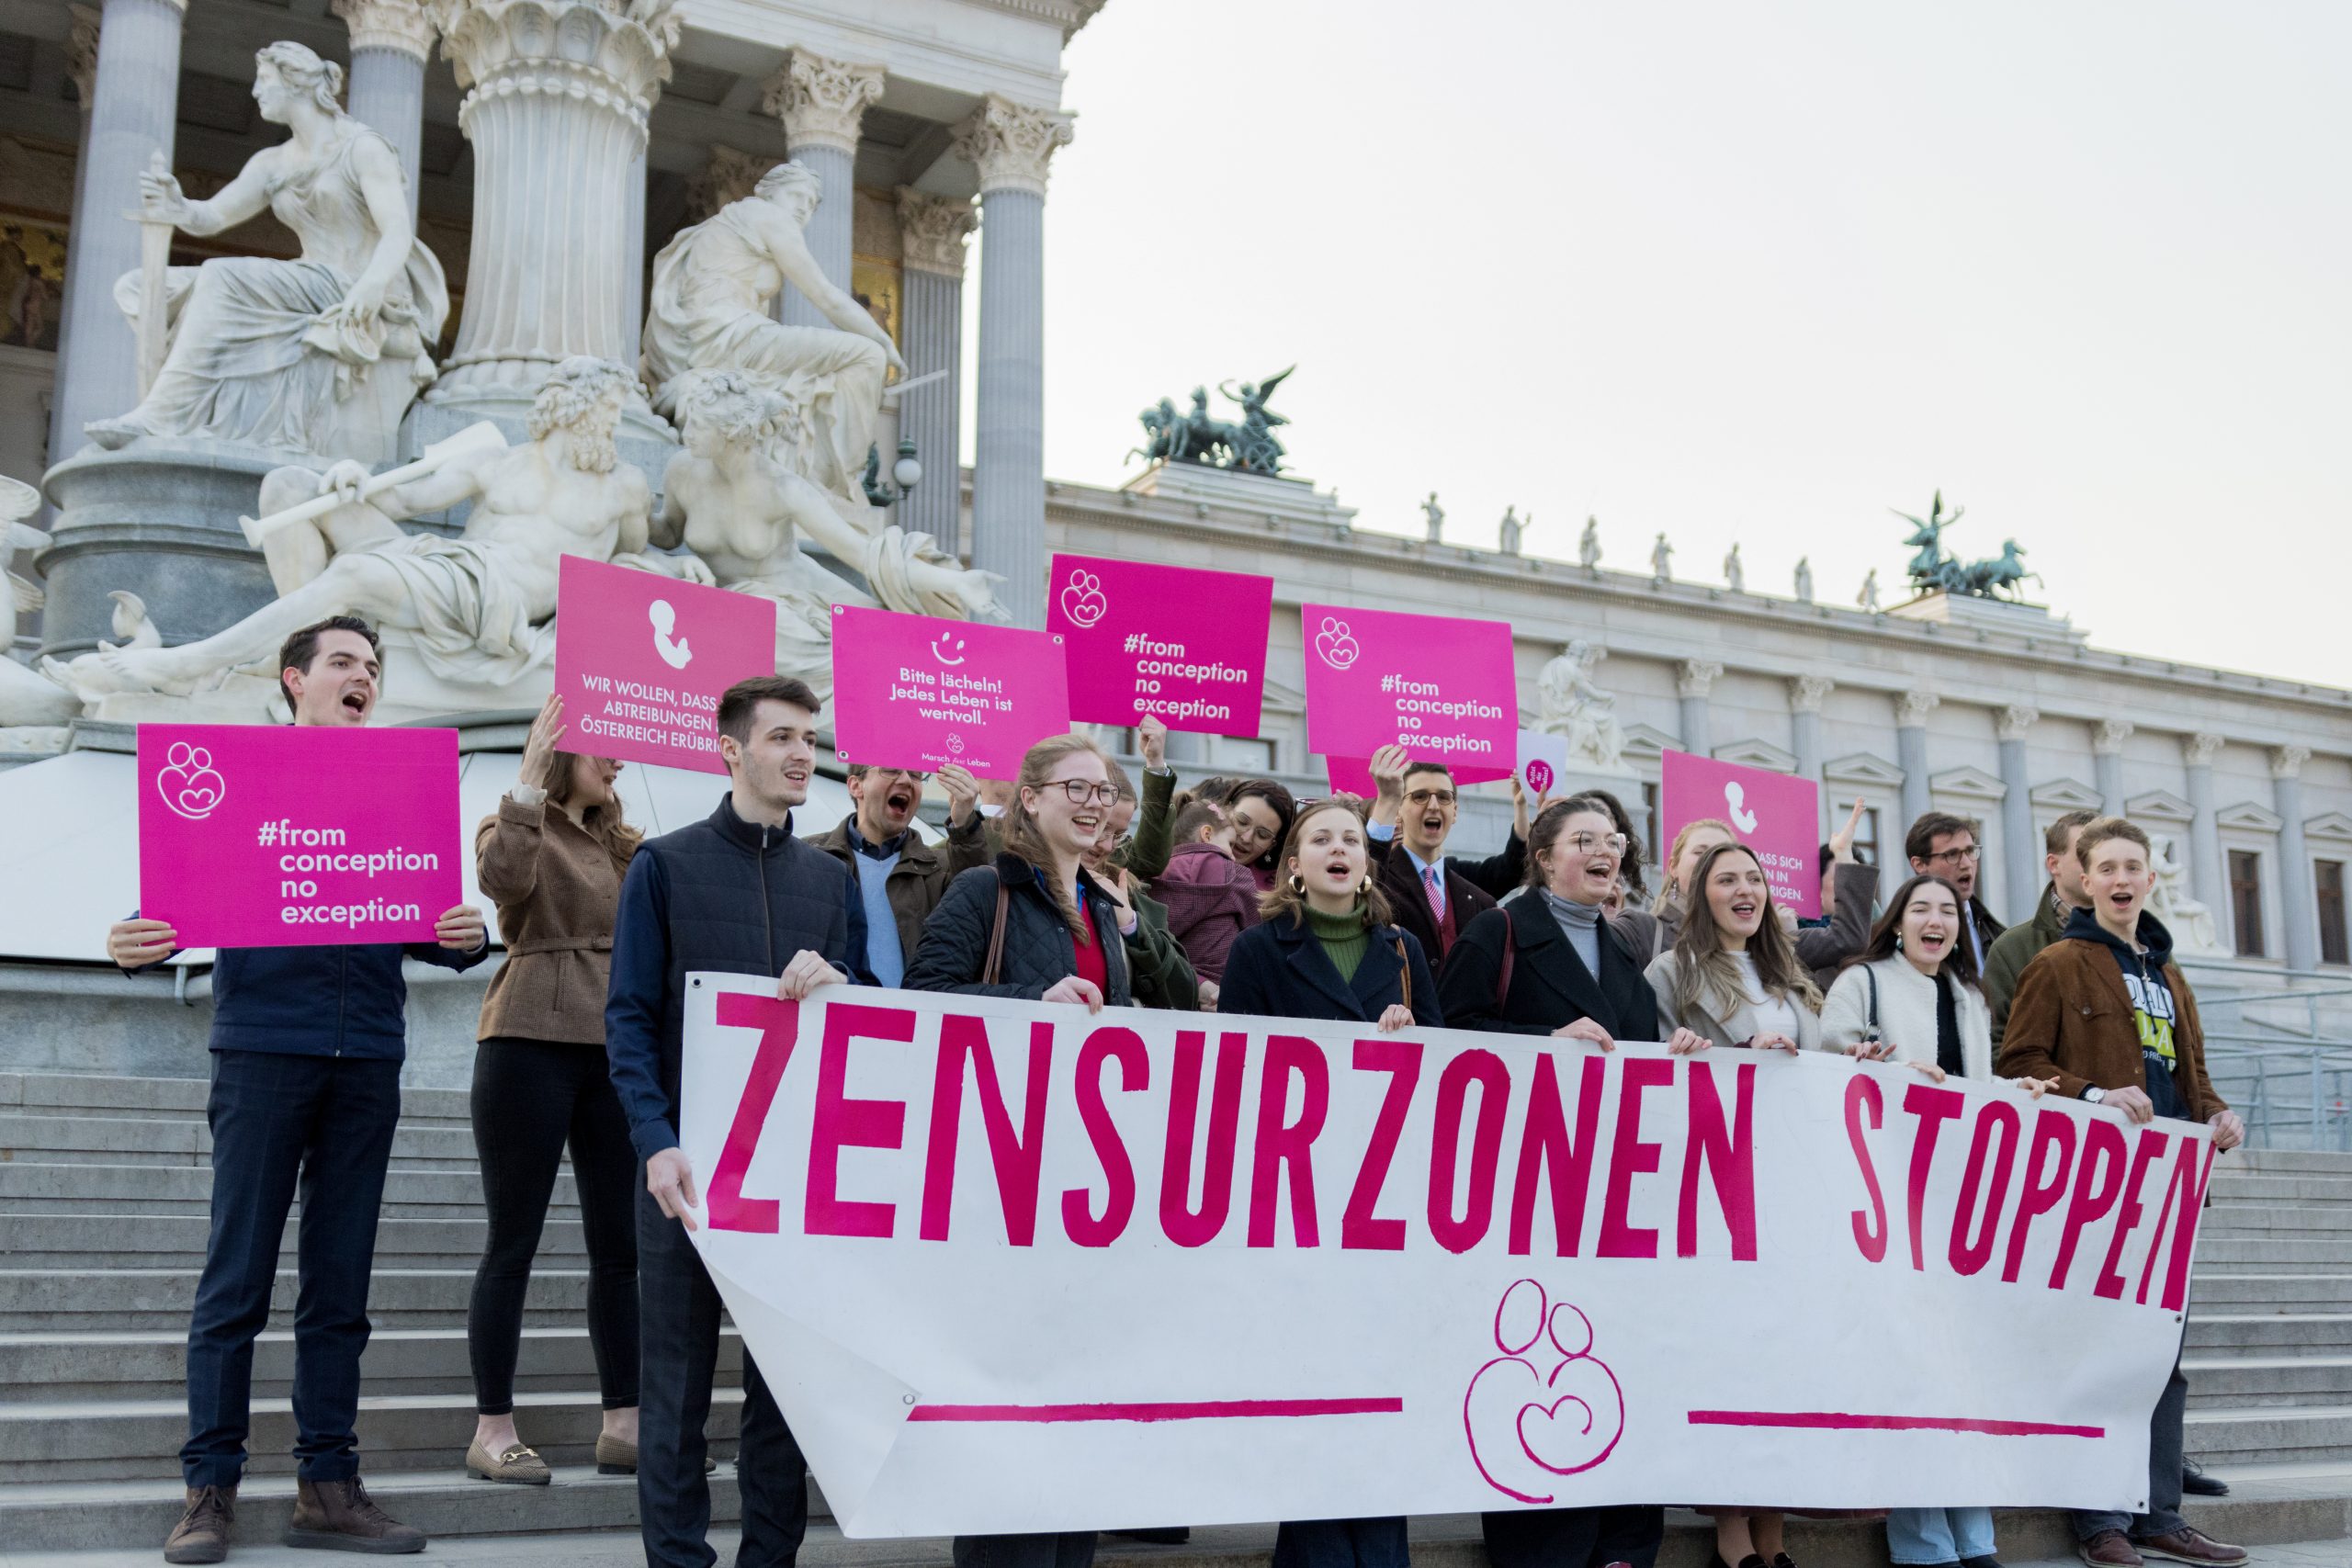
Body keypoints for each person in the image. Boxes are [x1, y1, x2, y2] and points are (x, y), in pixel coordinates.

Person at [107, 615, 488, 1563]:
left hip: (367, 1058)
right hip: (264, 1052)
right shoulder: (238, 778)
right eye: (344, 662)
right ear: (294, 680)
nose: (364, 676)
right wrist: (134, 937)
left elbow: (420, 917)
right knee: (235, 1279)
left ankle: (328, 1486)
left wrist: (463, 933)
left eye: (374, 665)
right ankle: (209, 1489)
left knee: (340, 1286)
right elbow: (180, 896)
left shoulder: (399, 786)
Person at [605, 675, 860, 1568]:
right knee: (674, 1391)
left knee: (782, 1395)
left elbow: (869, 1011)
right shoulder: (663, 865)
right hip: (686, 1172)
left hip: (791, 1181)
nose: (802, 755)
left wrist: (841, 982)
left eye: (809, 739)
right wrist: (655, 1140)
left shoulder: (829, 879)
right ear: (731, 749)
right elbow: (628, 1018)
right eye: (782, 737)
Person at [910, 733, 1177, 1568]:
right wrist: (1033, 999)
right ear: (1029, 798)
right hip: (1008, 1181)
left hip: (1088, 1193)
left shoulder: (1102, 905)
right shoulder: (984, 889)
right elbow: (923, 999)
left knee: (1079, 1409)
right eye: (1077, 788)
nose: (1095, 803)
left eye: (1104, 789)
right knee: (1015, 1414)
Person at [1436, 795, 1698, 1568]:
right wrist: (1541, 1040)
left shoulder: (1624, 950)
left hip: (1611, 1199)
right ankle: (1543, 1545)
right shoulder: (1500, 931)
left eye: (1610, 839)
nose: (1603, 849)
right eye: (1583, 839)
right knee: (1536, 1368)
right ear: (1545, 857)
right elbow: (1449, 1038)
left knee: (1621, 1362)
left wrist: (1678, 1050)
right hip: (1525, 1194)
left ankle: (1624, 1541)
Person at [1997, 818, 2247, 1568]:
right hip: (2096, 1190)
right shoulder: (2057, 962)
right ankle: (2098, 1518)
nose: (2120, 879)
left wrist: (2219, 1115)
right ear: (2084, 878)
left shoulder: (2172, 976)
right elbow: (2017, 1061)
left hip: (2170, 1193)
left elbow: (2193, 1078)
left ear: (2149, 879)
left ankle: (2159, 1513)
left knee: (2162, 1356)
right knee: (2098, 1350)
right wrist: (2094, 1093)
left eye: (2132, 867)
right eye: (2105, 867)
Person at [1215, 797, 1439, 1568]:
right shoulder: (1257, 950)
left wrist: (1413, 1041)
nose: (1339, 848)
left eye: (1351, 838)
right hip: (1297, 1203)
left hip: (1385, 1205)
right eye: (1321, 838)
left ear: (1366, 862)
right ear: (1295, 866)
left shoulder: (1404, 949)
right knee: (1313, 1393)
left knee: (1379, 1392)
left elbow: (1447, 1062)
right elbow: (1237, 1069)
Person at [464, 694, 644, 1485]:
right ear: (562, 748)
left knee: (621, 1248)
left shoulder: (629, 847)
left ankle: (625, 1425)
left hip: (614, 1050)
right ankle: (493, 1428)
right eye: (604, 745)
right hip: (527, 1038)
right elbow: (503, 881)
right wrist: (529, 785)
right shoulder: (513, 821)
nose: (618, 760)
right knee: (513, 1242)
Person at [1617, 798, 1878, 991]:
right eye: (1701, 852)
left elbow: (1848, 939)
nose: (1711, 862)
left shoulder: (1765, 939)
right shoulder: (1642, 930)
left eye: (1721, 853)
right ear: (1673, 867)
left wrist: (1843, 855)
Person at [812, 761, 987, 987]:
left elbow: (979, 909)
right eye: (891, 770)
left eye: (915, 774)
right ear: (856, 786)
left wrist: (964, 826)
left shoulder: (940, 869)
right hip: (834, 1007)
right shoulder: (812, 859)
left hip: (917, 1009)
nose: (906, 781)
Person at [1643, 841, 1824, 1053]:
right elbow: (1648, 1061)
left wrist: (1847, 1059)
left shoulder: (1789, 970)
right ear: (1702, 896)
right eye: (1727, 880)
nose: (1746, 890)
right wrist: (1746, 1051)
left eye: (1755, 879)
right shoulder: (1670, 971)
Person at [1365, 745, 1530, 966]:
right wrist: (1386, 800)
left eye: (1444, 797)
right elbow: (1362, 885)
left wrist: (1521, 806)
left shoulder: (1476, 895)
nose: (1433, 806)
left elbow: (1510, 870)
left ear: (1455, 812)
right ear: (1398, 810)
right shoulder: (1380, 878)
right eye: (1420, 796)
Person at [1820, 874, 1991, 1081]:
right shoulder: (1859, 982)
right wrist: (1901, 1074)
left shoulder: (1971, 996)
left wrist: (2017, 1089)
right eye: (1920, 910)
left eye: (1947, 912)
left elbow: (1981, 1083)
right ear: (1897, 925)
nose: (1935, 922)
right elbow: (1826, 1067)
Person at [1085, 759, 1199, 1011]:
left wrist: (1131, 925)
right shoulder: (1015, 885)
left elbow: (1185, 995)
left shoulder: (1129, 894)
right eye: (1099, 827)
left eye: (1118, 835)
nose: (1108, 846)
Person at [1982, 808, 2101, 1045]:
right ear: (2054, 864)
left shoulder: (2145, 943)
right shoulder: (2012, 949)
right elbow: (1997, 1044)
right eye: (2085, 856)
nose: (2098, 866)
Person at [1152, 797, 1260, 1009]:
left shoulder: (1155, 875)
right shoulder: (1236, 875)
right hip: (1224, 986)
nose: (1234, 856)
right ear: (1207, 834)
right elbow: (1257, 929)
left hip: (1172, 984)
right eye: (1230, 844)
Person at [1904, 812, 2005, 970]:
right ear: (1920, 864)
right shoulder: (1902, 937)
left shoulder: (1996, 933)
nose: (1966, 864)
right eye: (1952, 855)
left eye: (1970, 851)